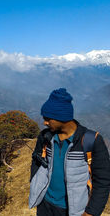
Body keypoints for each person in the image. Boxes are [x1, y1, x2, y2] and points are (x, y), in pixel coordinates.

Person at [29, 88, 110, 216]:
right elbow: (36, 160)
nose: (44, 122)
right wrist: (35, 183)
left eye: (48, 118)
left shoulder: (91, 141)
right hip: (45, 205)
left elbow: (103, 181)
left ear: (62, 117)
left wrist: (91, 212)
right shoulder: (45, 137)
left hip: (73, 210)